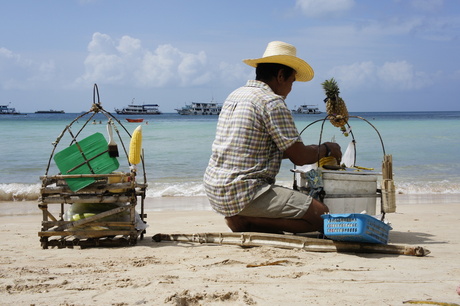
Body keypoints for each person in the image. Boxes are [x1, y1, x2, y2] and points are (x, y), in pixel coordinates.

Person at [203, 41, 342, 234]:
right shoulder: (272, 102)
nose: (291, 89)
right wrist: (327, 148)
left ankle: (243, 217)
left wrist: (308, 149)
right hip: (243, 192)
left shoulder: (235, 95)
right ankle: (245, 221)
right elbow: (300, 157)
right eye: (292, 81)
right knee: (322, 216)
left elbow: (256, 149)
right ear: (280, 76)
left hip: (215, 189)